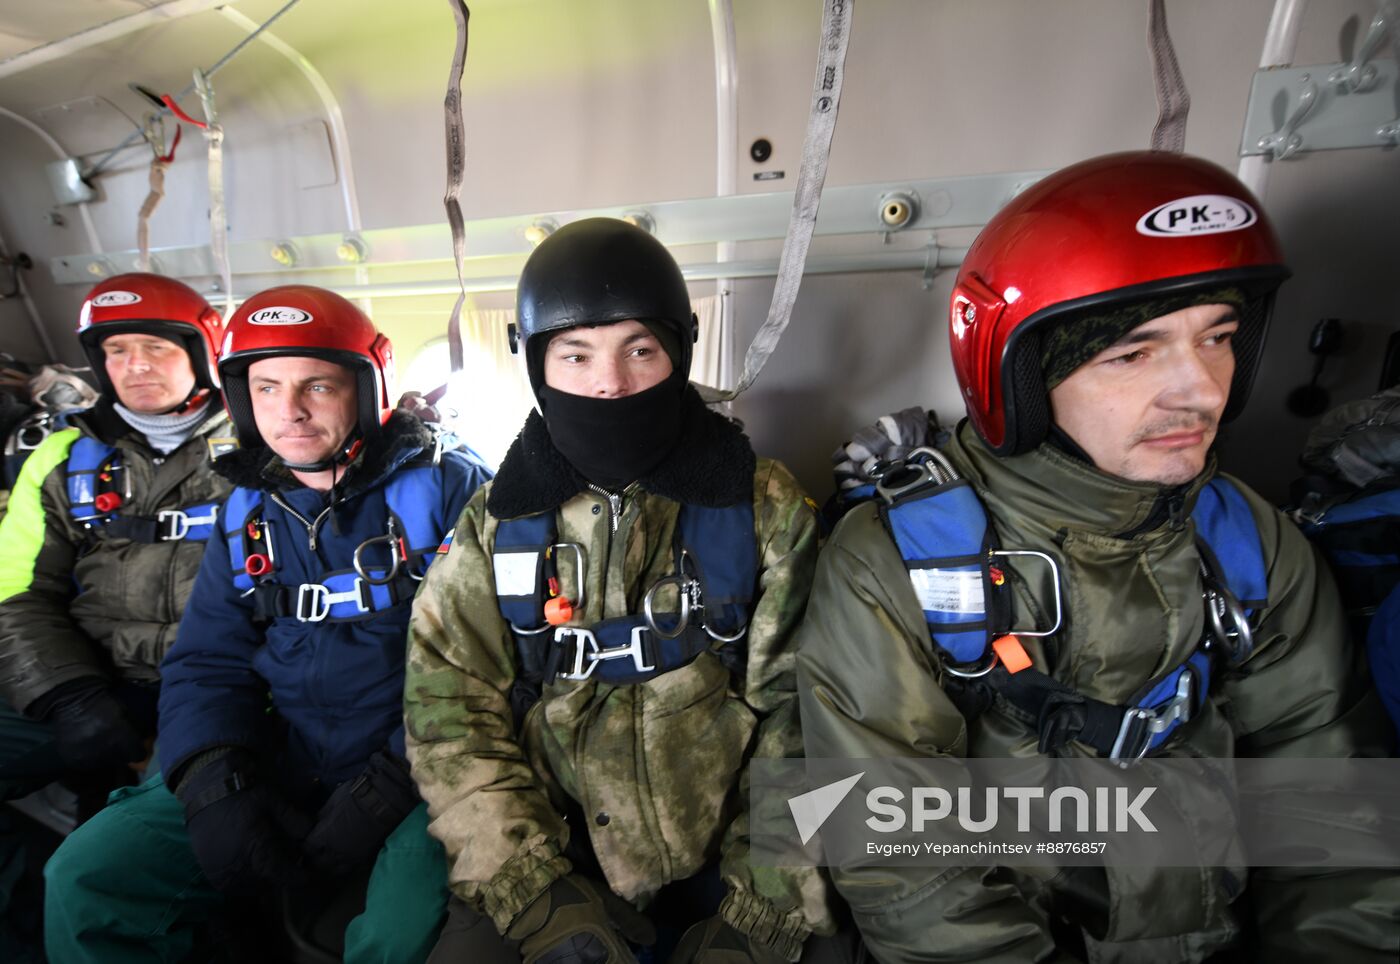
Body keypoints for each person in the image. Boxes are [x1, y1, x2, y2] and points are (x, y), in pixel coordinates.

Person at [796, 152, 1398, 962]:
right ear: (1026, 375)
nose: (1203, 391)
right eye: (1133, 353)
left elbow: (1333, 802)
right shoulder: (898, 565)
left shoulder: (1247, 540)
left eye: (1218, 337)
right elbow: (903, 864)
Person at [404, 217, 837, 964]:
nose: (610, 383)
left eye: (640, 349)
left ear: (679, 352)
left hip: (730, 857)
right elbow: (448, 710)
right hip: (550, 851)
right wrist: (531, 891)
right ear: (538, 366)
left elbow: (808, 720)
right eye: (576, 355)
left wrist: (762, 910)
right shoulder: (498, 523)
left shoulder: (762, 507)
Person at [42, 285, 493, 964]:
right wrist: (212, 776)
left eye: (318, 385)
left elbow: (493, 669)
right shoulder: (248, 508)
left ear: (369, 389)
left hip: (425, 772)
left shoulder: (453, 490)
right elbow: (206, 660)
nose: (291, 412)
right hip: (291, 753)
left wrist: (387, 790)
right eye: (267, 387)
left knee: (397, 940)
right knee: (87, 876)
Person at [0, 272, 230, 810]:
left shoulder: (267, 446)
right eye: (116, 349)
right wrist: (67, 695)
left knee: (130, 845)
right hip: (87, 673)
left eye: (156, 347)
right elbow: (15, 588)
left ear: (201, 354)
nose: (136, 364)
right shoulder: (61, 455)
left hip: (216, 685)